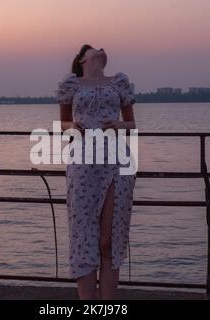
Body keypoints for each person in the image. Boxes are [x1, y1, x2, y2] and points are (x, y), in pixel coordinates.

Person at [55, 44, 137, 300]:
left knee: (108, 239)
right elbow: (63, 125)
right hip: (83, 162)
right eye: (94, 48)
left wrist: (120, 124)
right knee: (83, 236)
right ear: (82, 60)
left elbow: (132, 123)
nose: (102, 48)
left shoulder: (119, 82)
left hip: (116, 162)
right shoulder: (72, 85)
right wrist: (73, 126)